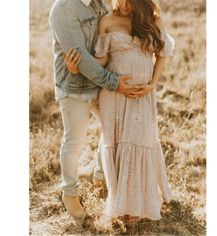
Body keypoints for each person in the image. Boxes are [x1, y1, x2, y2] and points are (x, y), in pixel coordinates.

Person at [65, 0, 175, 223]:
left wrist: (152, 83)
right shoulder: (107, 20)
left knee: (139, 141)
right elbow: (101, 60)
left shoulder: (151, 18)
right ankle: (121, 205)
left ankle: (136, 206)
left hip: (142, 95)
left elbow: (163, 53)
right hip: (114, 95)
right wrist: (76, 69)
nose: (124, 4)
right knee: (116, 144)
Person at [48, 0, 146, 222]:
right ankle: (69, 193)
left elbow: (108, 42)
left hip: (100, 85)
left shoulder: (101, 4)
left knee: (112, 131)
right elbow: (79, 58)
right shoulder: (63, 9)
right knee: (74, 141)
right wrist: (113, 81)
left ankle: (101, 175)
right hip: (74, 87)